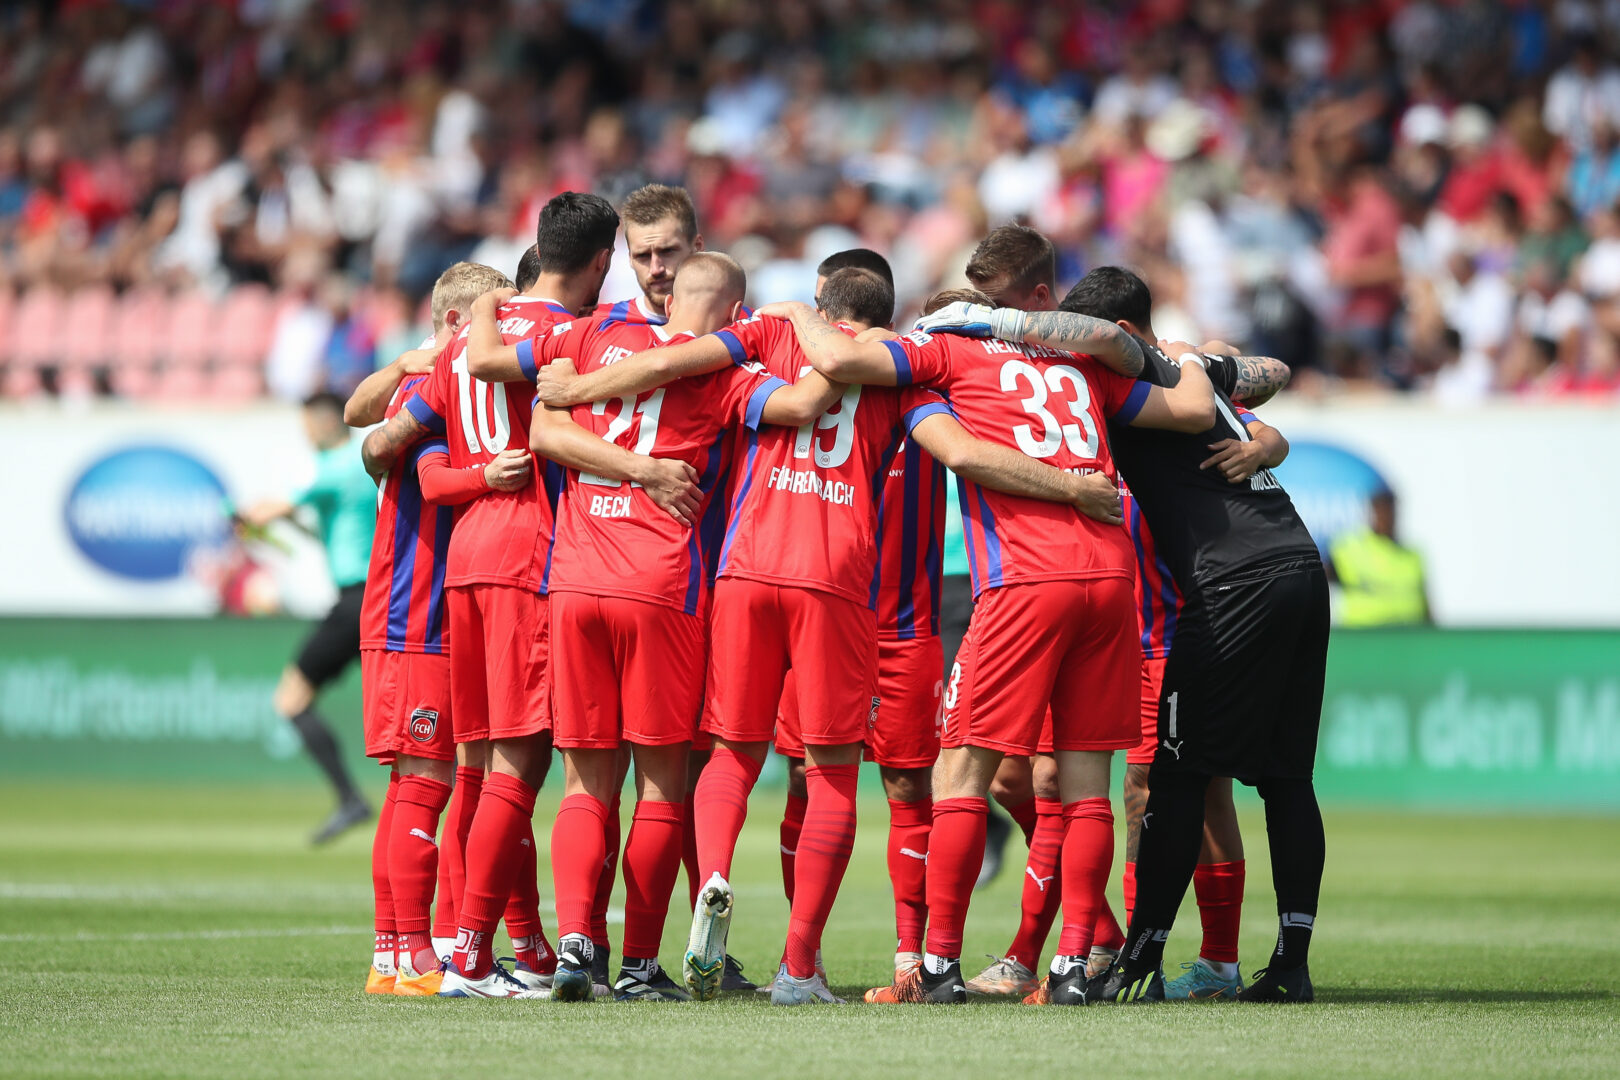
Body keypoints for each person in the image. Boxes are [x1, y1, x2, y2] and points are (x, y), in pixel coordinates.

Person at [532, 268, 1124, 1006]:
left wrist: (585, 389)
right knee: (834, 772)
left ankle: (710, 872)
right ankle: (802, 967)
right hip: (840, 578)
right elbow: (955, 449)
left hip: (742, 569)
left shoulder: (768, 336)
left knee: (729, 752)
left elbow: (679, 363)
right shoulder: (900, 371)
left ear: (819, 303)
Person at [757, 287, 1218, 1005]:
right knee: (1086, 787)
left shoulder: (943, 360)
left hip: (1022, 581)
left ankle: (937, 964)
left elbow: (954, 445)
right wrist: (1193, 361)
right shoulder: (1080, 360)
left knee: (960, 775)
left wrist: (791, 311)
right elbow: (1191, 405)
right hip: (1108, 576)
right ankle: (1074, 968)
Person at [475, 252, 842, 1001]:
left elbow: (543, 428)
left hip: (574, 581)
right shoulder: (723, 375)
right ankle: (641, 964)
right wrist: (811, 326)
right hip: (659, 586)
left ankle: (578, 947)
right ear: (734, 314)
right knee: (662, 786)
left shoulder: (592, 336)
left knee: (583, 781)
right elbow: (804, 405)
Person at [1033, 267, 1327, 1005]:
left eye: (1097, 341)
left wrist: (984, 322)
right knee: (1286, 780)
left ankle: (1139, 960)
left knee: (1175, 779)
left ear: (1123, 336)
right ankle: (1290, 963)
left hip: (1231, 585)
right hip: (1296, 563)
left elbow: (1211, 385)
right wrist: (1262, 432)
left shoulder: (1144, 390)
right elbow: (1271, 371)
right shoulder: (1198, 369)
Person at [350, 260, 525, 997]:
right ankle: (418, 955)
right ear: (460, 323)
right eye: (495, 317)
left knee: (407, 787)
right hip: (414, 613)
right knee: (424, 782)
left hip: (406, 611)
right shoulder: (433, 392)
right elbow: (393, 455)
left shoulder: (429, 389)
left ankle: (392, 955)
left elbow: (365, 426)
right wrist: (491, 477)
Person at [238, 392, 378, 845]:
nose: (304, 435)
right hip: (376, 599)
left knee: (291, 699)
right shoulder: (360, 466)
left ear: (323, 423)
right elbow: (321, 529)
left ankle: (349, 798)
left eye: (306, 426)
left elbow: (273, 507)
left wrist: (245, 517)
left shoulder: (336, 466)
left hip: (354, 602)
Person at [1329, 490, 1430, 626]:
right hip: (1364, 637)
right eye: (1381, 510)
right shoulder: (1348, 549)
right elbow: (1318, 578)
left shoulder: (1412, 555)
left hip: (1408, 638)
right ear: (1372, 512)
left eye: (1390, 511)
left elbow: (1425, 604)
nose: (1386, 517)